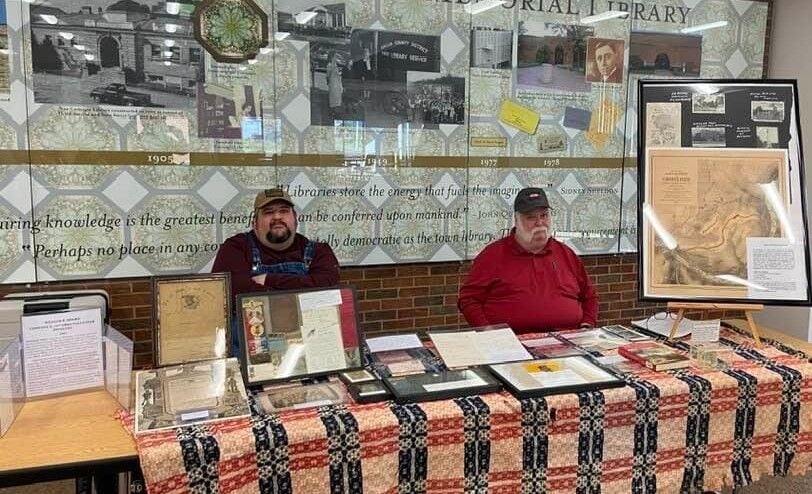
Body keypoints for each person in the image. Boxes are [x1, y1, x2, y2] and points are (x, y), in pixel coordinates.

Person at [212, 188, 339, 352]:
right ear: (254, 222)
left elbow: (327, 290)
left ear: (296, 219)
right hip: (250, 351)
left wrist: (269, 280)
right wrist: (304, 289)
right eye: (268, 212)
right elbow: (231, 292)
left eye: (284, 211)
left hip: (307, 349)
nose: (277, 217)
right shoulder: (235, 248)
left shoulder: (319, 251)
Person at [457, 187, 598, 334]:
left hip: (567, 342)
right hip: (511, 343)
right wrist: (487, 331)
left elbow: (589, 296)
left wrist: (587, 325)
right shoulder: (493, 255)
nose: (539, 223)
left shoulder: (566, 254)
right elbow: (468, 299)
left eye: (544, 215)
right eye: (531, 217)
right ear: (517, 221)